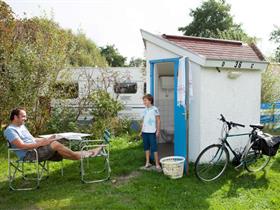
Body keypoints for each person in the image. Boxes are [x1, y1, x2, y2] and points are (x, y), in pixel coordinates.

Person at [4, 108, 102, 162]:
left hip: (35, 150)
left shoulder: (21, 126)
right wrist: (43, 143)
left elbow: (32, 139)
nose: (25, 118)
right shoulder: (10, 130)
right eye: (23, 116)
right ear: (15, 117)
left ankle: (89, 153)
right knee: (55, 145)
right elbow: (22, 146)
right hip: (29, 155)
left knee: (58, 143)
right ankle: (85, 154)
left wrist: (48, 139)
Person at [141, 94, 161, 171]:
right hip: (144, 132)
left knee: (154, 148)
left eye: (145, 100)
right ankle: (147, 162)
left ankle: (157, 164)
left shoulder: (155, 109)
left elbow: (158, 120)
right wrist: (141, 131)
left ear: (150, 100)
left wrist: (158, 130)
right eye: (144, 101)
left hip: (152, 131)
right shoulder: (144, 110)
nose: (144, 102)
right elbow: (143, 121)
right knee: (146, 147)